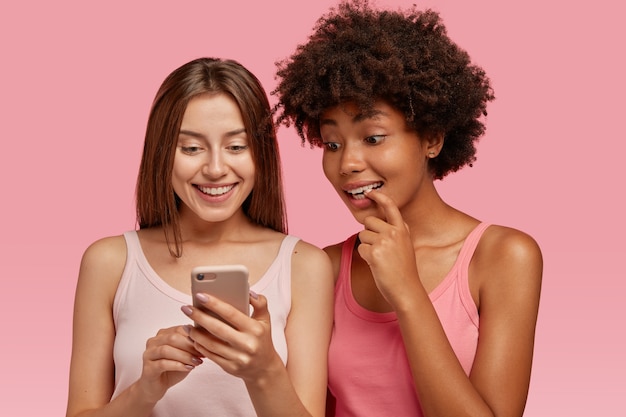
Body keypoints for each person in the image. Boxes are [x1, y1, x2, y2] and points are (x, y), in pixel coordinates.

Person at [273, 1, 543, 416]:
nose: (347, 163)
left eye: (373, 137)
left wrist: (408, 293)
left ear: (432, 139)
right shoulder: (323, 267)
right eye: (332, 144)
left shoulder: (503, 256)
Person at [66, 57, 334, 417]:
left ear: (261, 153)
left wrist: (263, 371)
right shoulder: (110, 262)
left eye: (236, 146)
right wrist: (145, 391)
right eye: (191, 148)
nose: (215, 169)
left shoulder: (305, 266)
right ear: (162, 154)